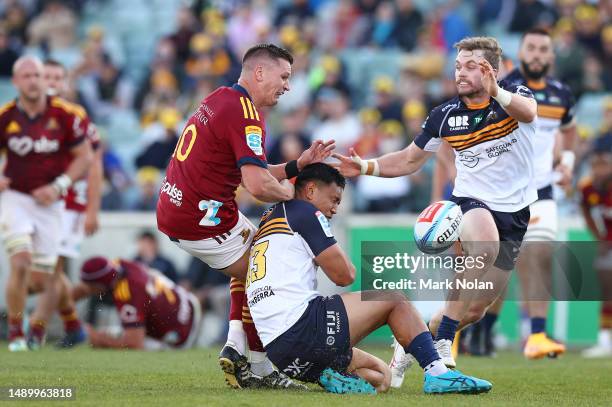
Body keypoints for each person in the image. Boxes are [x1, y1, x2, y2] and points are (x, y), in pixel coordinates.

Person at [333, 36, 537, 386]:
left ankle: (414, 341)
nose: (461, 72)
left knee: (475, 310)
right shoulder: (444, 115)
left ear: (492, 70)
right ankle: (443, 342)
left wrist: (495, 91)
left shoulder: (516, 96)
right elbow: (410, 159)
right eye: (458, 65)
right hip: (471, 203)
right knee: (483, 243)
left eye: (471, 66)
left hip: (516, 215)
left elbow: (529, 113)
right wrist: (365, 166)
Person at [156, 43, 333, 389]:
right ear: (260, 72)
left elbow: (254, 167)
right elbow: (256, 185)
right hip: (201, 217)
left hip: (181, 205)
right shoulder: (247, 114)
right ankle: (259, 365)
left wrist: (298, 165)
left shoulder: (221, 98)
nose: (287, 86)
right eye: (283, 76)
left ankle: (236, 343)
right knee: (269, 265)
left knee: (257, 255)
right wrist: (297, 199)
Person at [247, 163, 492, 394]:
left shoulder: (271, 216)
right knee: (395, 299)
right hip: (302, 327)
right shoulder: (306, 212)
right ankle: (437, 373)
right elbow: (345, 275)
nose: (335, 209)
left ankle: (329, 375)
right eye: (333, 199)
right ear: (310, 190)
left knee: (382, 377)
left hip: (281, 353)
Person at [476, 28, 577, 359]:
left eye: (542, 49)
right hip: (504, 191)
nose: (536, 53)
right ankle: (480, 331)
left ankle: (536, 333)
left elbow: (566, 131)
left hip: (543, 189)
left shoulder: (562, 94)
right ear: (521, 53)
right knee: (498, 266)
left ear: (550, 55)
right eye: (530, 47)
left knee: (539, 253)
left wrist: (568, 162)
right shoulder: (504, 88)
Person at [0, 55, 92, 351]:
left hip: (51, 203)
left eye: (37, 75)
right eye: (26, 76)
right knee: (20, 261)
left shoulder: (66, 114)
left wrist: (59, 186)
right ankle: (17, 334)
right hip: (15, 197)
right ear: (15, 82)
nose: (33, 80)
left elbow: (87, 157)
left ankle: (56, 323)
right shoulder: (6, 116)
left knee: (41, 280)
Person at [27, 58, 104, 349]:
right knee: (49, 270)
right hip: (41, 202)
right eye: (46, 76)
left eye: (57, 78)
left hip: (70, 202)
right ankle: (73, 325)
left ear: (64, 83)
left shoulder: (75, 116)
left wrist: (92, 210)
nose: (51, 83)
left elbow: (94, 165)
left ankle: (35, 331)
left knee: (49, 267)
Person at [77, 257, 201, 350]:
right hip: (186, 300)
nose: (86, 290)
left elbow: (135, 344)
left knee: (113, 338)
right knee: (113, 333)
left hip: (181, 331)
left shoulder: (129, 293)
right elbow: (82, 289)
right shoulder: (119, 264)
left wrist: (96, 339)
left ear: (99, 284)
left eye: (90, 287)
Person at [580, 138, 612, 357]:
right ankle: (604, 339)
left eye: (603, 165)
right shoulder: (589, 187)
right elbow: (585, 209)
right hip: (608, 243)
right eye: (594, 166)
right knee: (607, 289)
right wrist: (599, 236)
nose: (598, 170)